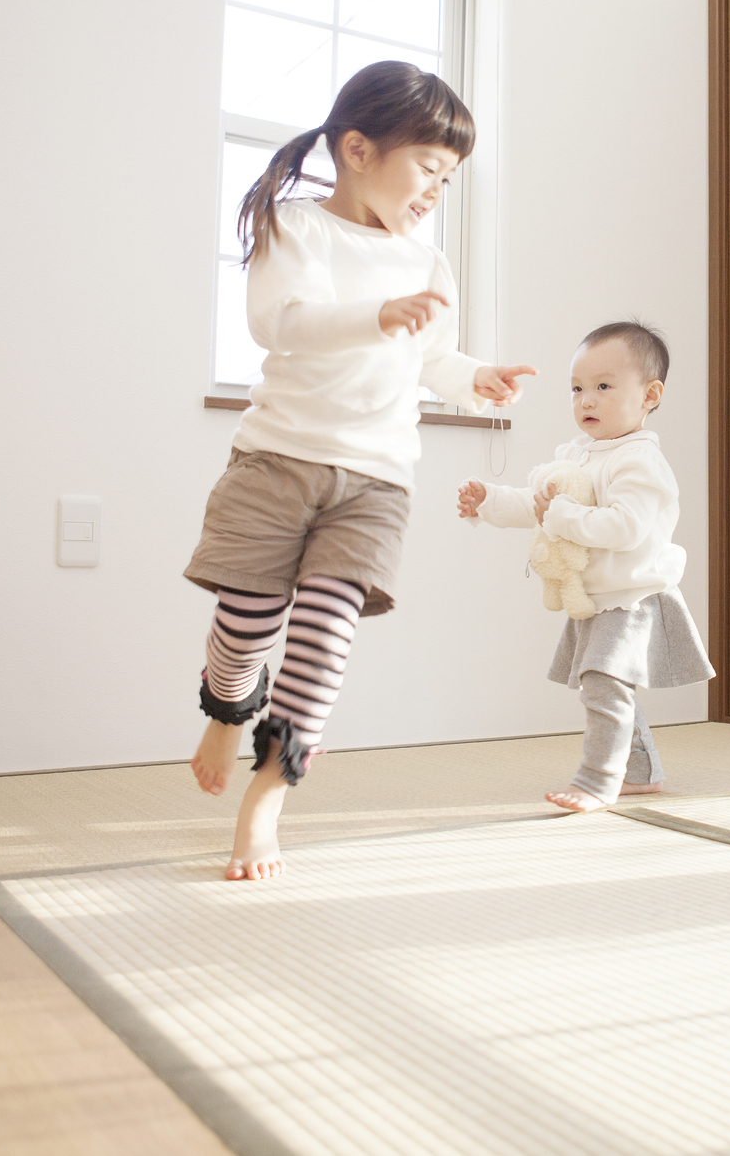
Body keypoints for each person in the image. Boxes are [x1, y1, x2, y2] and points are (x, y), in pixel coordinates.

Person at [185, 60, 535, 880]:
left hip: (377, 478)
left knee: (324, 636)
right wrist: (377, 314)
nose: (434, 191)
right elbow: (283, 323)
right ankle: (227, 702)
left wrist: (472, 375)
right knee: (249, 619)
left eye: (448, 180)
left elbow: (434, 357)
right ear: (357, 149)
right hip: (278, 460)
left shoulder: (426, 263)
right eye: (427, 168)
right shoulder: (297, 227)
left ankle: (268, 794)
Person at [458, 321, 713, 811]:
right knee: (608, 685)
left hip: (633, 599)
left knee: (603, 686)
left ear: (649, 395)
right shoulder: (577, 454)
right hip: (599, 600)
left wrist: (559, 513)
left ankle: (598, 780)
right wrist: (489, 502)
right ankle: (637, 771)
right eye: (577, 388)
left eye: (603, 386)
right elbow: (538, 505)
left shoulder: (639, 461)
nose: (586, 400)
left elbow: (625, 527)